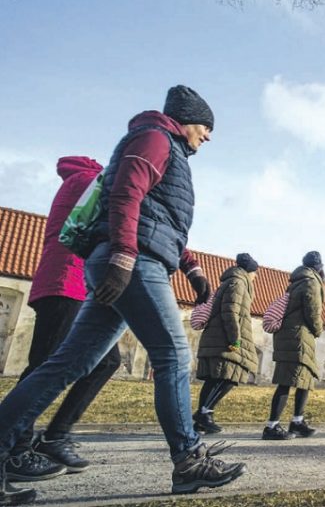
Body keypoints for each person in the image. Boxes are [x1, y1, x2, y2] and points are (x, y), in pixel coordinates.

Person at [0, 85, 245, 506]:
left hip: (135, 259)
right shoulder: (153, 138)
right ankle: (188, 460)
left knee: (69, 363)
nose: (207, 138)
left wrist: (191, 267)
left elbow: (159, 216)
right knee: (173, 356)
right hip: (135, 263)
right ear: (188, 120)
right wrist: (124, 254)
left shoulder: (162, 144)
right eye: (206, 128)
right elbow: (127, 192)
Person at [5, 157, 123, 484]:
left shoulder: (80, 181)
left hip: (78, 286)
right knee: (43, 365)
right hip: (64, 282)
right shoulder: (89, 181)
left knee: (106, 360)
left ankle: (55, 436)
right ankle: (15, 447)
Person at [193, 253, 260, 434]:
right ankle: (204, 414)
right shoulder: (238, 283)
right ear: (249, 271)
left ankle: (202, 420)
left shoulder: (230, 281)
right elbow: (230, 312)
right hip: (224, 339)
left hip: (216, 338)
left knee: (215, 378)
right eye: (255, 273)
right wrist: (235, 339)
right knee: (230, 378)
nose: (256, 277)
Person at [263, 251, 325, 441]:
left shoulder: (297, 280)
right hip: (297, 336)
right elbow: (312, 311)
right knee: (286, 382)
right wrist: (318, 329)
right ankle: (271, 427)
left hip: (294, 336)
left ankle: (297, 422)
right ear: (319, 266)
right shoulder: (311, 282)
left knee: (305, 380)